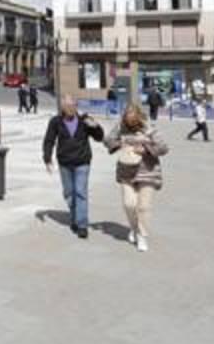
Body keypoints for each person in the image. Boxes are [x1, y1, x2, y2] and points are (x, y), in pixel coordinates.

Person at [104, 103, 169, 252]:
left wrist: (146, 149)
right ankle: (134, 228)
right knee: (129, 204)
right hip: (126, 170)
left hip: (148, 171)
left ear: (139, 118)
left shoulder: (149, 128)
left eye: (133, 121)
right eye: (128, 121)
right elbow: (107, 141)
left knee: (144, 206)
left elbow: (164, 147)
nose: (130, 124)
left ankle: (142, 236)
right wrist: (120, 143)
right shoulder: (120, 127)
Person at [42, 96, 105, 239]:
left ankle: (82, 224)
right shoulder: (56, 121)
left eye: (73, 106)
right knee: (69, 193)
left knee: (80, 192)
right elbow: (49, 140)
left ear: (76, 106)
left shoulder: (84, 120)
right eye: (67, 106)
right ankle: (75, 217)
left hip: (82, 162)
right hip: (65, 162)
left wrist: (95, 126)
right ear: (62, 107)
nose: (70, 108)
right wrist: (47, 158)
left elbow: (99, 137)